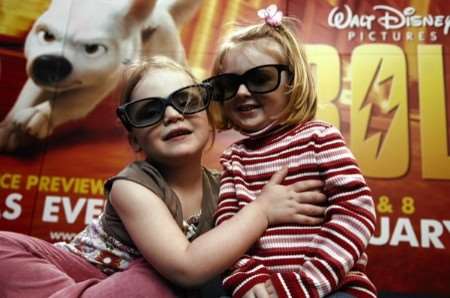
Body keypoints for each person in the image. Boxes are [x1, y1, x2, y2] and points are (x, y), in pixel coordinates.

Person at [0, 56, 328, 298]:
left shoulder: (228, 185)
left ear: (210, 115)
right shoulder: (132, 185)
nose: (172, 115)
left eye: (185, 101)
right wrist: (262, 210)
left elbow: (265, 244)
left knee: (153, 283)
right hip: (82, 268)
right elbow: (186, 267)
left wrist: (332, 249)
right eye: (149, 111)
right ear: (134, 139)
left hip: (142, 286)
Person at [205, 4, 377, 298]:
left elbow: (356, 214)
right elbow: (228, 231)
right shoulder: (233, 159)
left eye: (260, 78)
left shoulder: (319, 138)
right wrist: (247, 281)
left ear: (293, 81)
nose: (243, 92)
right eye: (229, 84)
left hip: (332, 287)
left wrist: (306, 283)